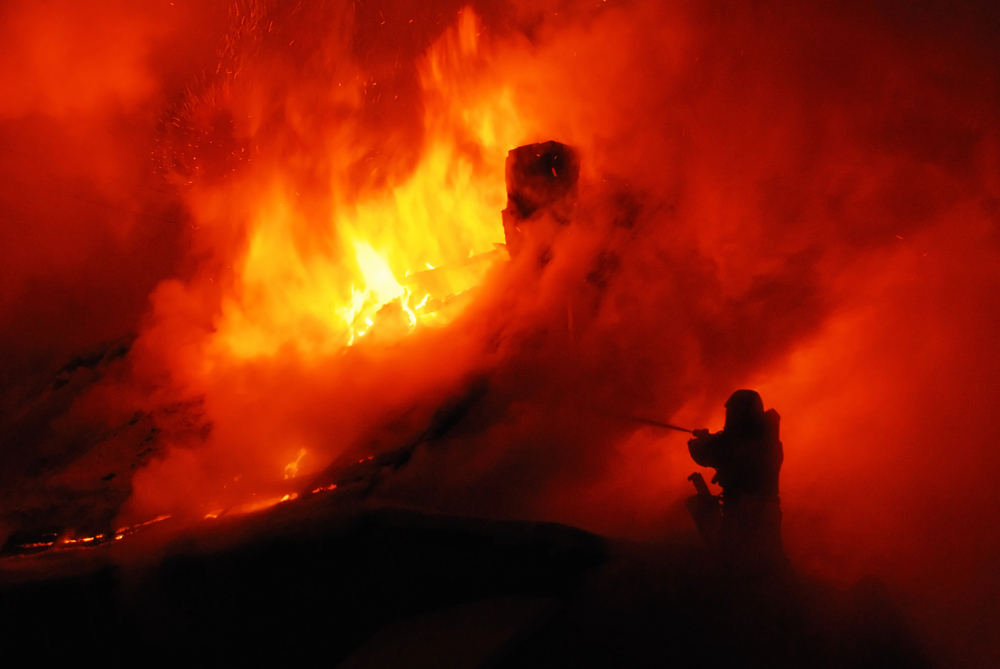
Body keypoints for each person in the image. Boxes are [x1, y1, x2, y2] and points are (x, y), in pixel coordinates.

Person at [686, 390, 786, 570]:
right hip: (766, 510)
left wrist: (700, 440)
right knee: (768, 562)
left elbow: (704, 452)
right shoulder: (767, 439)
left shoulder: (738, 442)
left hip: (744, 512)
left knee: (738, 562)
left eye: (731, 412)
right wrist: (709, 437)